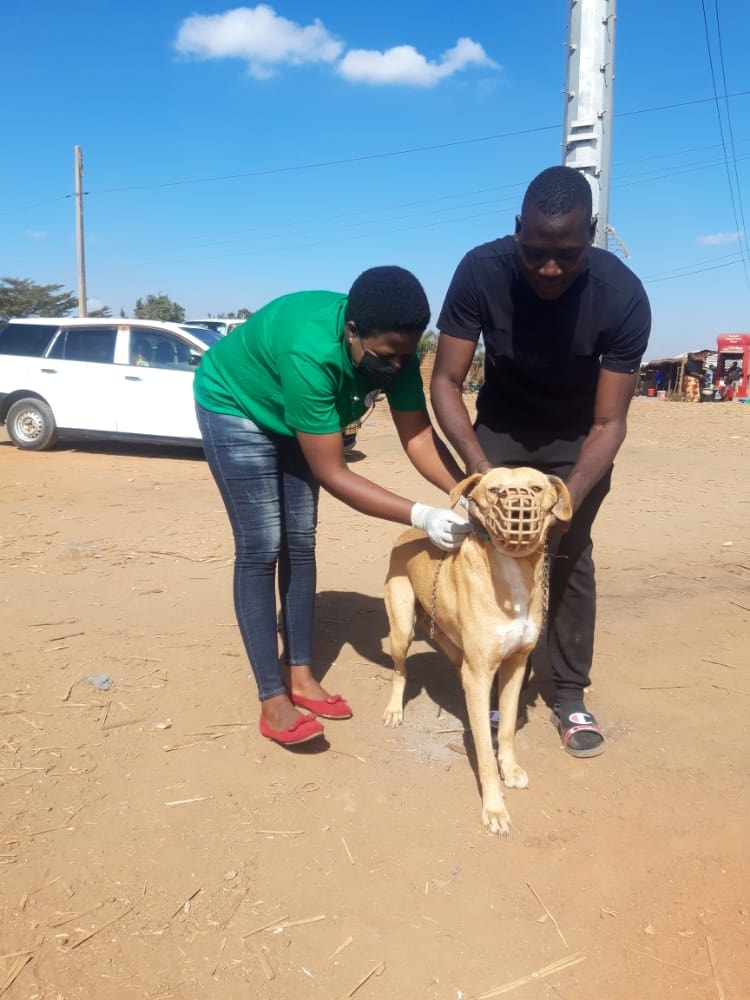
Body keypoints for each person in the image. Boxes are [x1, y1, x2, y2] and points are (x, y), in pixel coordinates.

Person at [193, 266, 472, 747]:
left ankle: (299, 674)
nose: (397, 366)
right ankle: (271, 696)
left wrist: (465, 494)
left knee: (300, 541)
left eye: (406, 355)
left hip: (295, 415)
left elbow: (419, 437)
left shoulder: (399, 351)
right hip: (236, 404)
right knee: (263, 544)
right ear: (352, 332)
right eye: (386, 356)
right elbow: (334, 471)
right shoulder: (310, 349)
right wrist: (422, 516)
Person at [430, 165, 651, 759]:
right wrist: (483, 477)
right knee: (487, 550)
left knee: (569, 554)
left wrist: (567, 499)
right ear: (517, 229)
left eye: (568, 255)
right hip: (497, 436)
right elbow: (446, 382)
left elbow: (610, 422)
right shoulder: (480, 270)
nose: (549, 269)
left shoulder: (622, 295)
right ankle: (490, 670)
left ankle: (569, 691)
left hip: (577, 443)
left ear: (593, 235)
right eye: (534, 253)